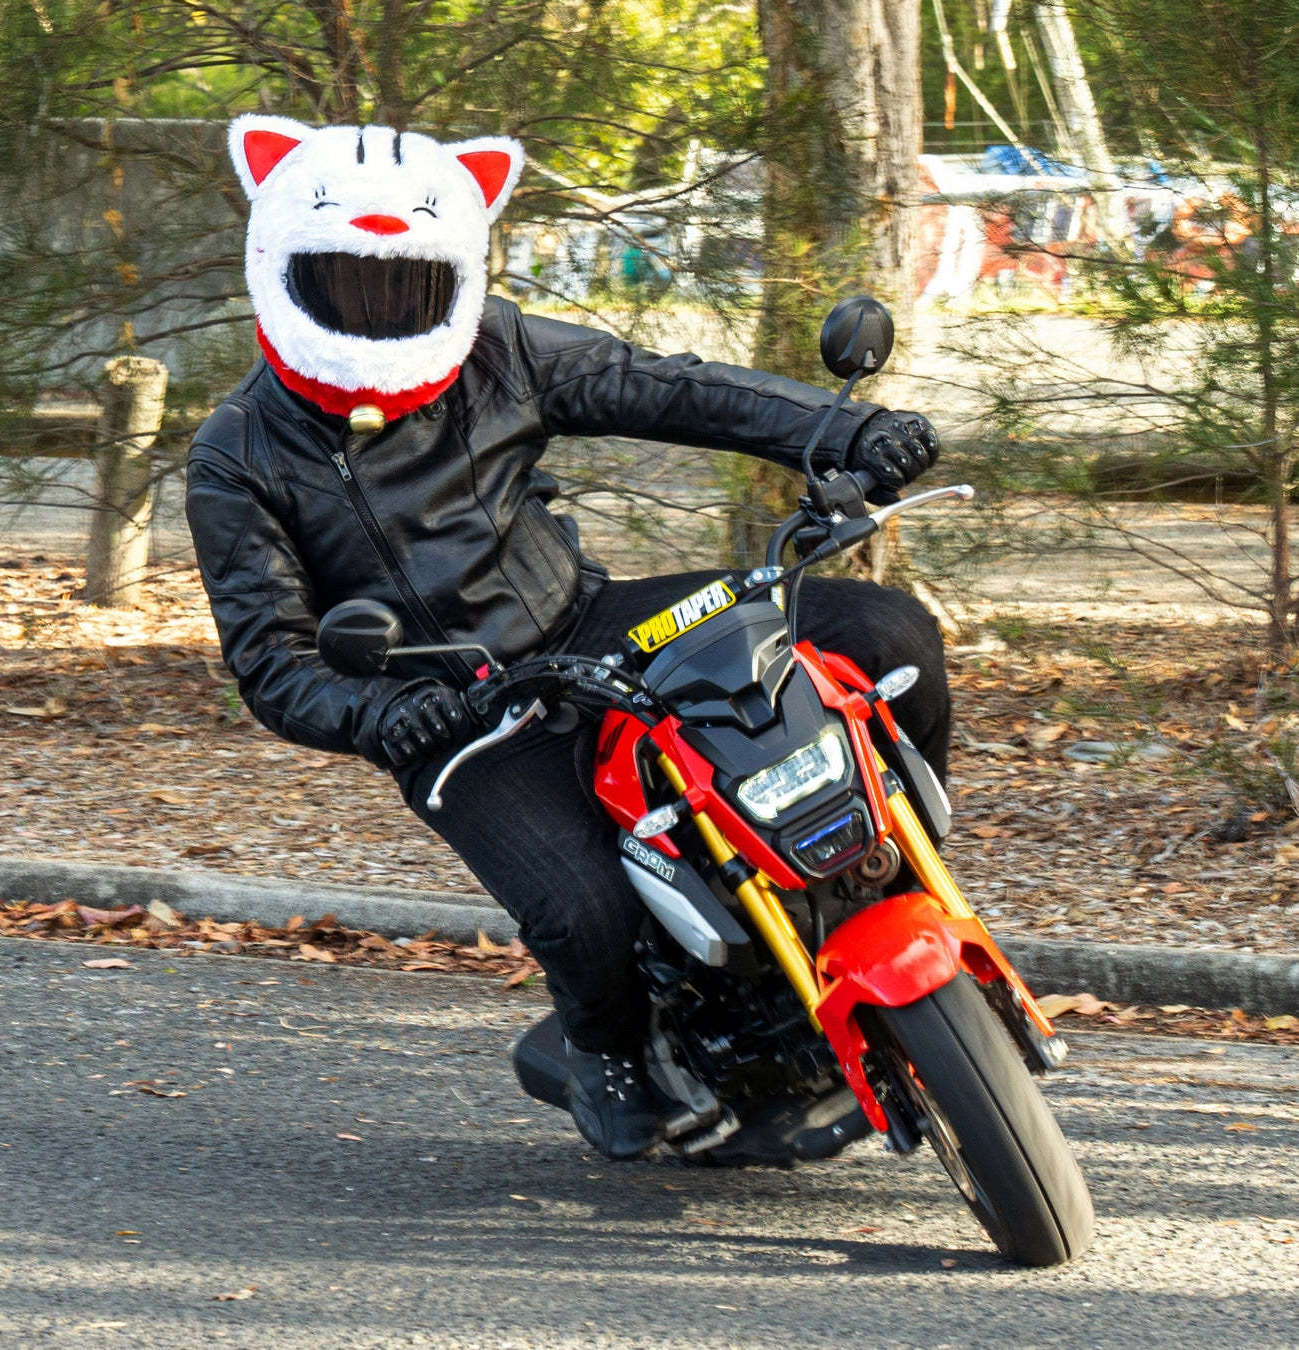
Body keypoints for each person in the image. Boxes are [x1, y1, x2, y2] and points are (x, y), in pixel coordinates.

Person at [186, 115, 947, 1161]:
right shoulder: (237, 451)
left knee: (885, 629)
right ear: (281, 268)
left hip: (590, 623)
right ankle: (608, 1049)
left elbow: (665, 386)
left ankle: (899, 868)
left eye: (408, 282)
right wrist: (387, 713)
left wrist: (843, 429)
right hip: (450, 708)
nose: (380, 305)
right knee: (582, 910)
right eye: (347, 281)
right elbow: (272, 661)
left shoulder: (496, 346)